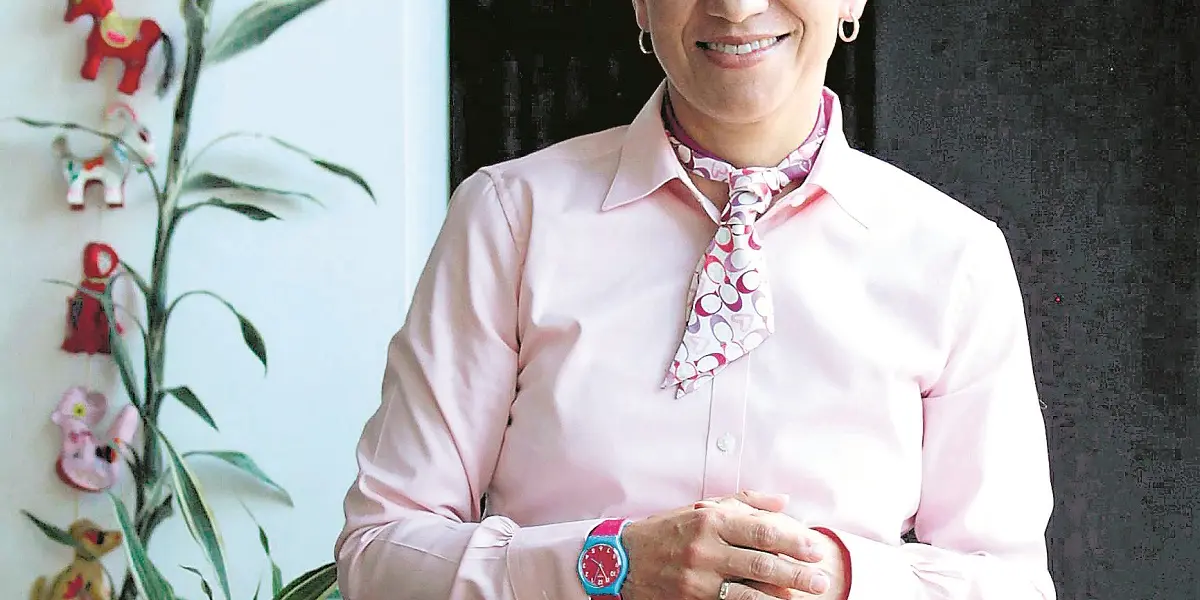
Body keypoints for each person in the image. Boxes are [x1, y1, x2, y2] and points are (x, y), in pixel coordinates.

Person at [334, 0, 1057, 599]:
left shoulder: (955, 258)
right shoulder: (510, 219)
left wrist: (839, 580)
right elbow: (379, 552)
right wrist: (608, 564)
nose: (736, 8)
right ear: (640, 5)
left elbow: (1009, 583)